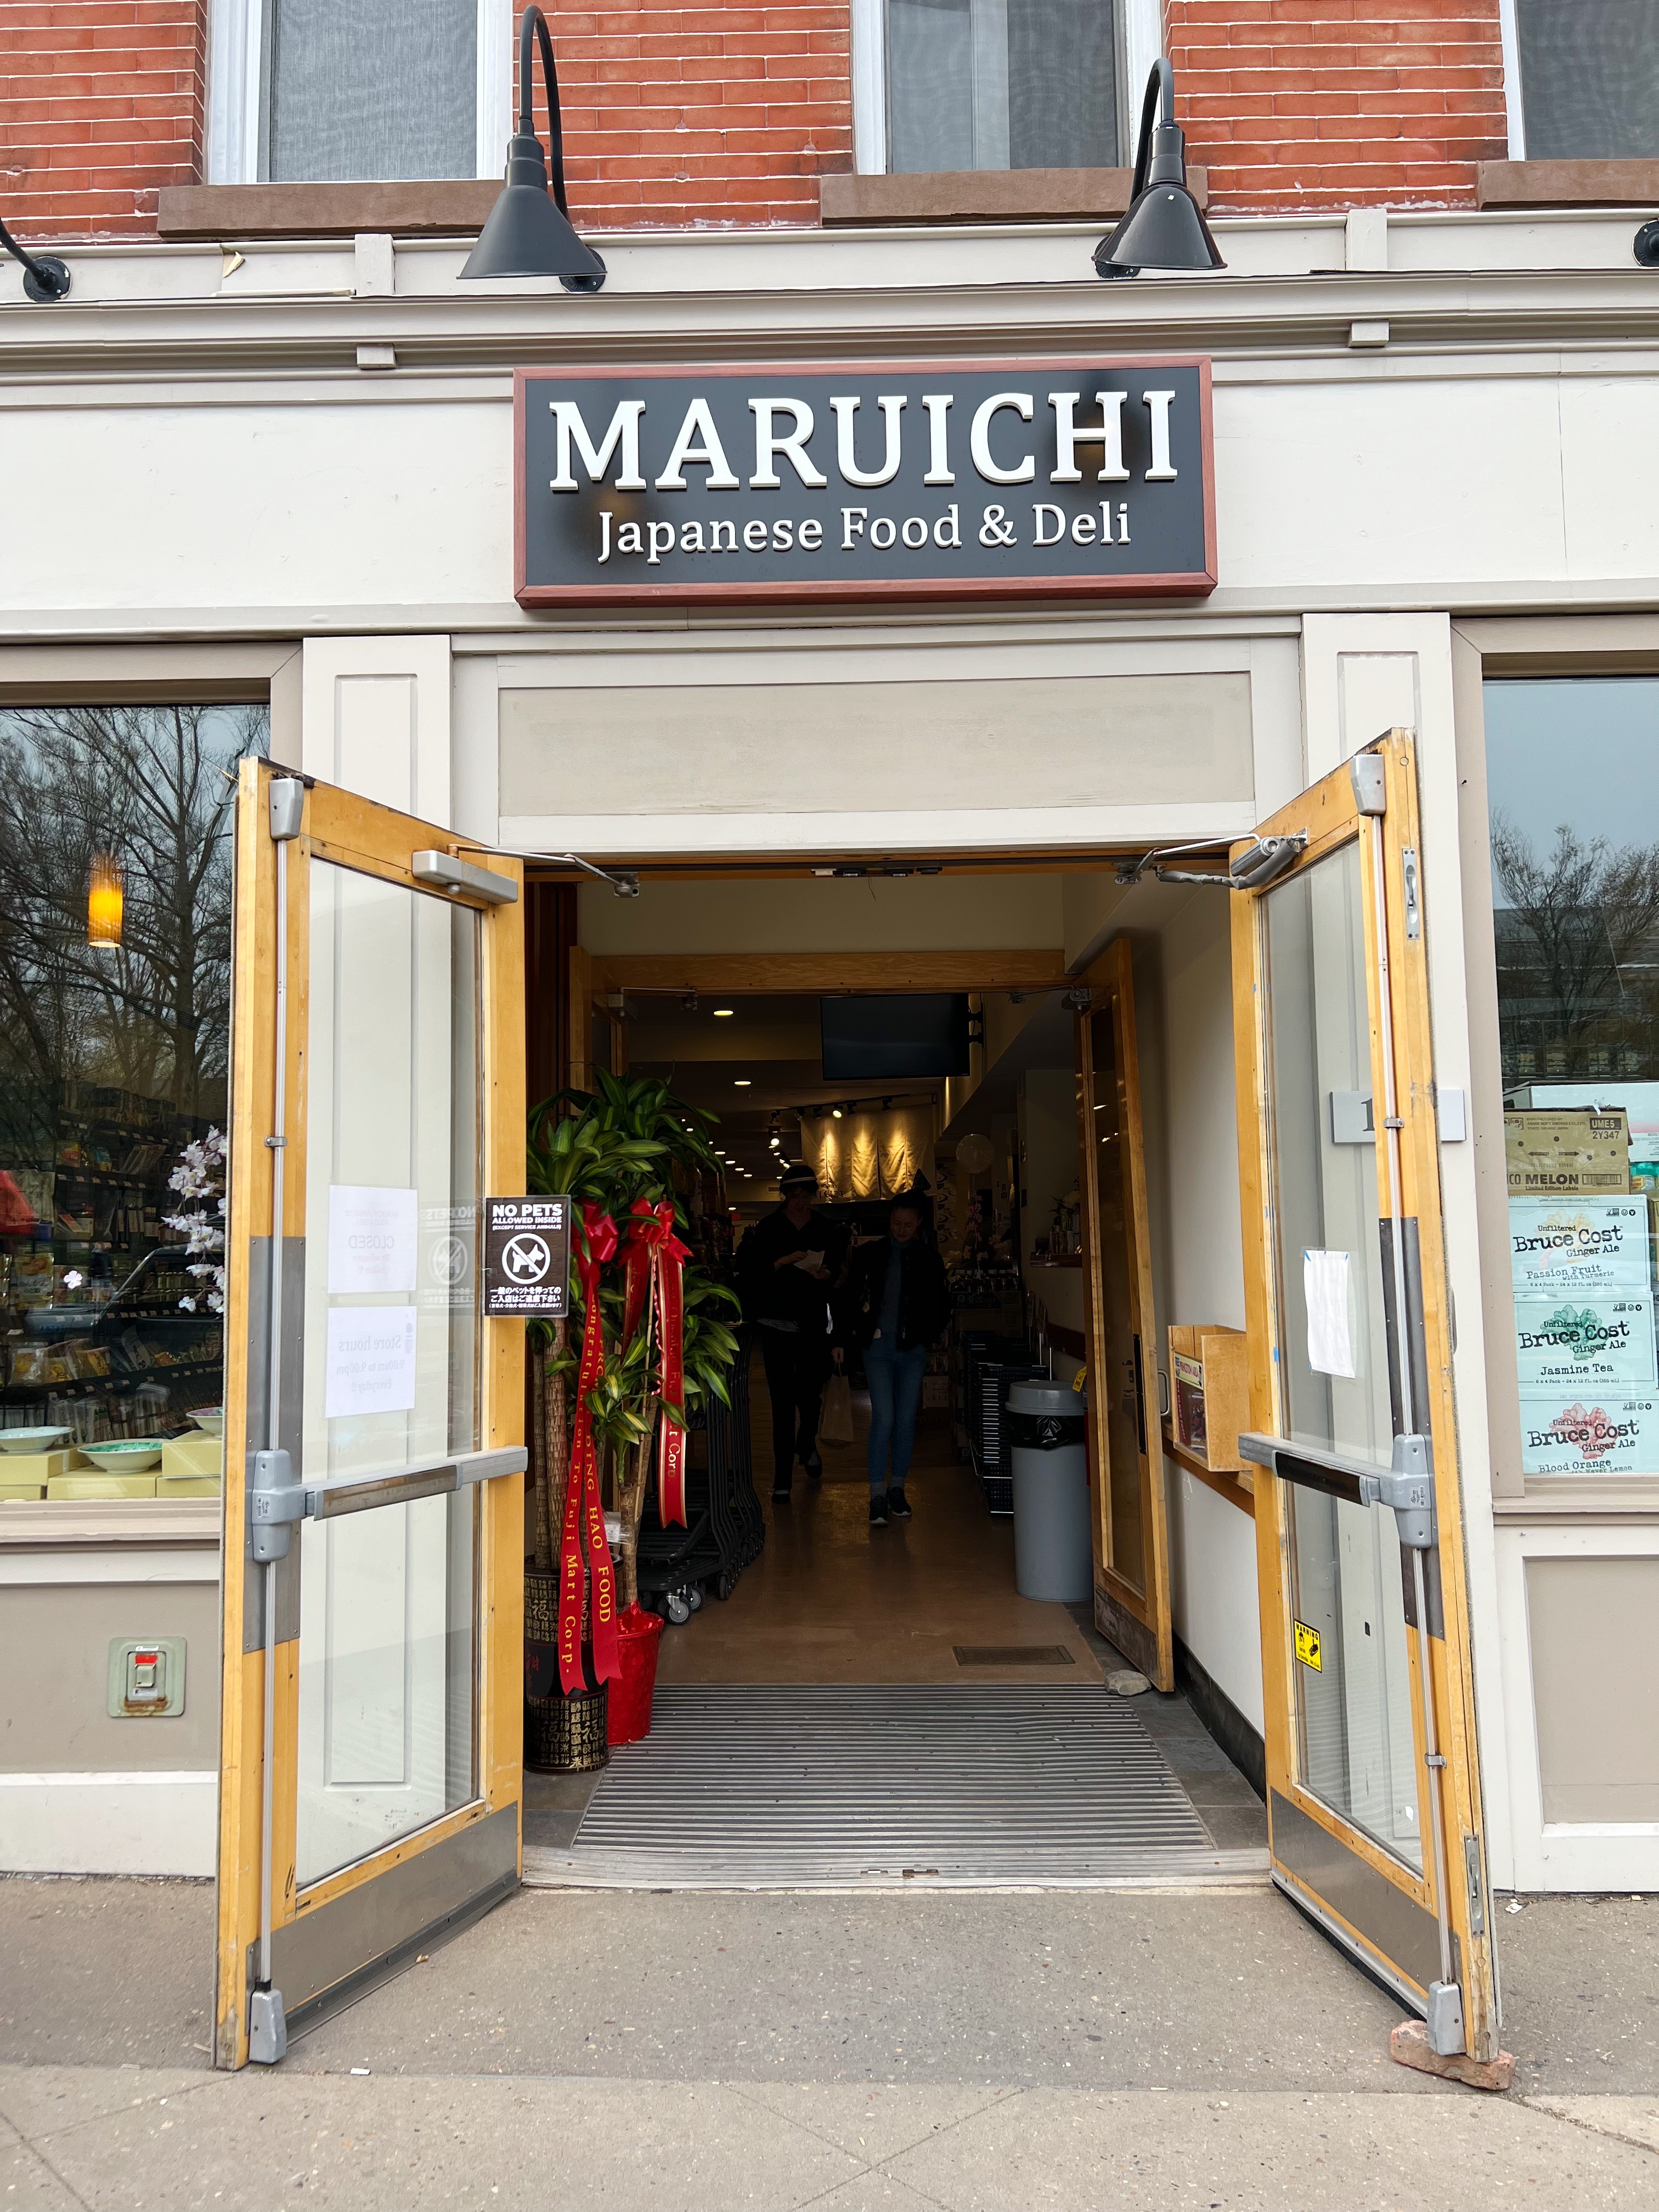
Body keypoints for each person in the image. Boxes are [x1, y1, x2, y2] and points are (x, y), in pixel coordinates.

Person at [837, 1191, 950, 1528]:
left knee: (904, 1421)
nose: (901, 1229)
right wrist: (845, 1339)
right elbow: (848, 1298)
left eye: (908, 1224)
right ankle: (877, 1493)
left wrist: (925, 1335)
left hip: (912, 1350)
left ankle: (897, 1487)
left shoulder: (929, 1258)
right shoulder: (870, 1254)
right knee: (884, 1419)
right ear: (889, 1221)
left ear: (918, 1223)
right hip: (878, 1350)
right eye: (896, 1223)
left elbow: (941, 1305)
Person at [736, 1162, 845, 1502]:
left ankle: (807, 1444)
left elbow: (840, 1271)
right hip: (777, 1323)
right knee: (781, 1401)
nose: (802, 1202)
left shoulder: (826, 1228)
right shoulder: (767, 1229)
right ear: (785, 1196)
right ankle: (782, 1478)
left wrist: (828, 1274)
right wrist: (781, 1262)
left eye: (807, 1196)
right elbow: (750, 1275)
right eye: (796, 1196)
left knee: (811, 1395)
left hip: (815, 1321)